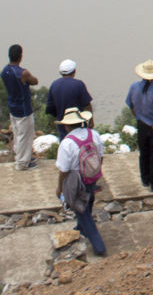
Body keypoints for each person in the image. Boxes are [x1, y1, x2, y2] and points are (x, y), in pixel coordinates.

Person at [54, 107, 105, 256]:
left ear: (67, 126)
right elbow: (101, 156)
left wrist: (60, 188)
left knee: (81, 211)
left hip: (77, 180)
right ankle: (81, 228)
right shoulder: (93, 135)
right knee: (88, 202)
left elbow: (63, 170)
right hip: (92, 177)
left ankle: (99, 246)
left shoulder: (67, 143)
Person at [125, 59, 153, 192]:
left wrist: (138, 116)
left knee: (144, 153)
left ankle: (145, 179)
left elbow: (130, 105)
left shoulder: (134, 87)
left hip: (141, 124)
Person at [1, 44, 39, 171]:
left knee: (18, 134)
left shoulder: (4, 71)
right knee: (25, 135)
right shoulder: (22, 73)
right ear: (20, 56)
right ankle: (22, 163)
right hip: (23, 109)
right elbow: (35, 81)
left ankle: (22, 156)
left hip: (12, 106)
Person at [46, 59, 94, 140]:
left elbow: (50, 108)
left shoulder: (54, 85)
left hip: (63, 126)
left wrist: (60, 117)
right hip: (79, 125)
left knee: (66, 146)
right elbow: (87, 105)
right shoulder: (79, 84)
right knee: (81, 146)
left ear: (61, 72)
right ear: (74, 71)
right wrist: (91, 121)